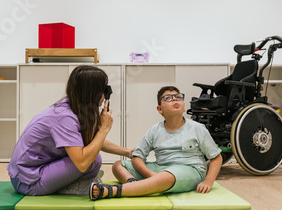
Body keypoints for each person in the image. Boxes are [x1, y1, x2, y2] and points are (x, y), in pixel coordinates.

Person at [8, 65, 133, 196]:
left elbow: (93, 140)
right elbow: (82, 163)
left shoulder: (74, 108)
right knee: (91, 160)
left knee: (93, 158)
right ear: (93, 93)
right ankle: (72, 186)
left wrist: (127, 152)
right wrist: (104, 128)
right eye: (103, 90)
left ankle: (73, 181)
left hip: (36, 171)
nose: (105, 95)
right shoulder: (64, 117)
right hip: (28, 182)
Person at [90, 86, 222, 200]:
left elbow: (216, 157)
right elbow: (137, 157)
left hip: (190, 170)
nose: (175, 99)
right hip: (161, 168)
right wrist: (150, 174)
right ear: (160, 109)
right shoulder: (155, 130)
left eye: (178, 97)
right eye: (168, 98)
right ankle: (134, 185)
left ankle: (112, 191)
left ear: (183, 106)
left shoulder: (197, 128)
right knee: (119, 165)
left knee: (166, 176)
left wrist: (208, 181)